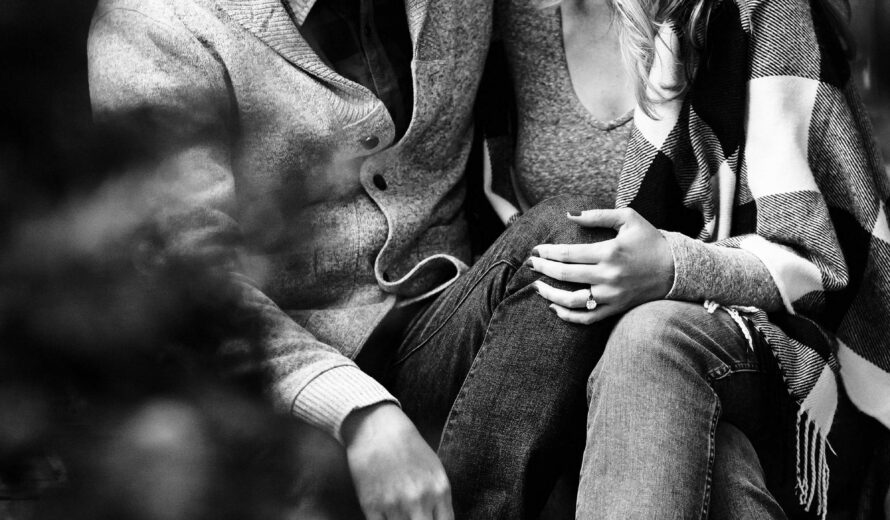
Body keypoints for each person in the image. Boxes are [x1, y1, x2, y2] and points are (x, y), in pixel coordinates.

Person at [87, 0, 620, 518]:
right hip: (285, 391)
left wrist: (663, 243)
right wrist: (360, 413)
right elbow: (191, 285)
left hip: (449, 334)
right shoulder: (157, 22)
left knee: (571, 239)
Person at [480, 0, 890, 517]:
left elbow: (813, 260)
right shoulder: (503, 21)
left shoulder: (757, 11)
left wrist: (673, 267)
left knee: (650, 337)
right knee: (718, 462)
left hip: (758, 350)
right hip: (572, 356)